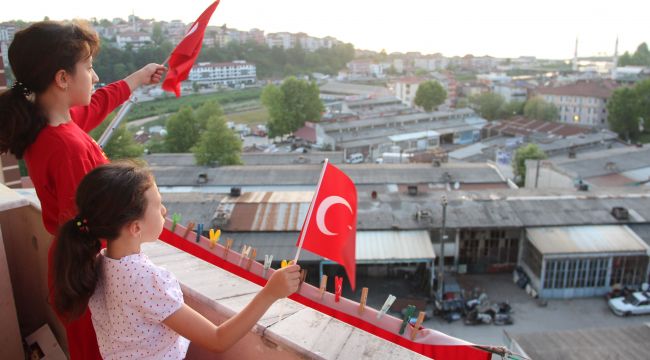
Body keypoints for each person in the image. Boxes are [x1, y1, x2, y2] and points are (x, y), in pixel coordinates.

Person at [0, 20, 166, 359]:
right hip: (93, 281)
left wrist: (136, 78)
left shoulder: (48, 125)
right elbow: (89, 224)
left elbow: (95, 104)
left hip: (76, 275)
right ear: (62, 78)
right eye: (89, 67)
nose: (95, 76)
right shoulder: (67, 148)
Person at [54, 161, 301, 359]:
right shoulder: (146, 281)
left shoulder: (99, 262)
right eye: (158, 205)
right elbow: (217, 339)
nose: (164, 211)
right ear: (135, 227)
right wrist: (270, 293)